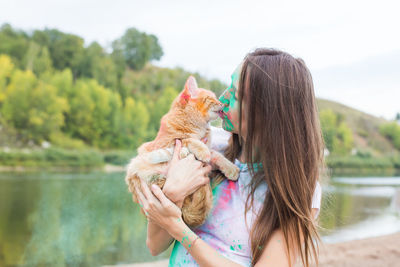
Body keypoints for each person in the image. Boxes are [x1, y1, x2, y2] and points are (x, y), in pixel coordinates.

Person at [134, 48, 324, 267]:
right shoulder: (208, 147)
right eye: (229, 86)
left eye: (235, 94)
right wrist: (172, 195)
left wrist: (179, 229)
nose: (222, 99)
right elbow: (155, 245)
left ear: (268, 113)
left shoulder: (300, 191)